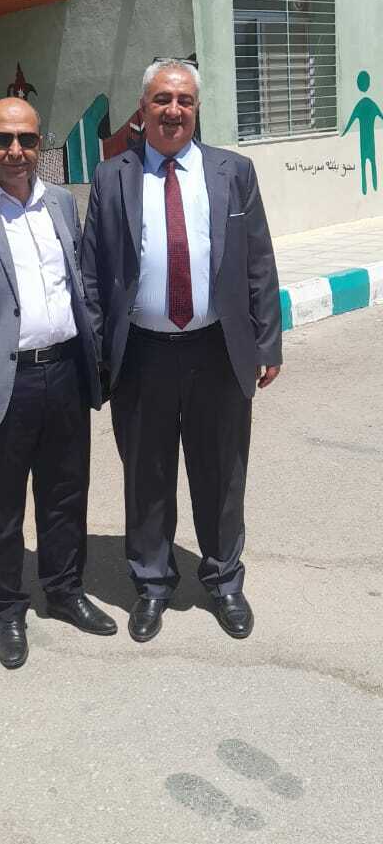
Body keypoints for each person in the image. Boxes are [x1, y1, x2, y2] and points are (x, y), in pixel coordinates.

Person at [81, 60, 282, 644]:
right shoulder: (112, 177)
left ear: (196, 109)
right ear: (143, 108)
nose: (173, 110)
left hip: (217, 349)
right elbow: (92, 271)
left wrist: (267, 341)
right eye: (162, 100)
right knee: (146, 475)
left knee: (221, 472)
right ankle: (152, 584)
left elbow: (259, 260)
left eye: (184, 101)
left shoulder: (233, 172)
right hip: (141, 354)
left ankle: (223, 581)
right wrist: (98, 353)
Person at [0, 97, 117, 669]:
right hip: (0, 382)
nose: (15, 151)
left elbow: (78, 287)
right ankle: (8, 607)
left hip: (65, 373)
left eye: (27, 140)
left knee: (66, 494)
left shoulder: (60, 202)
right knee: (3, 504)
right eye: (3, 139)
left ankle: (64, 590)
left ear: (40, 145)